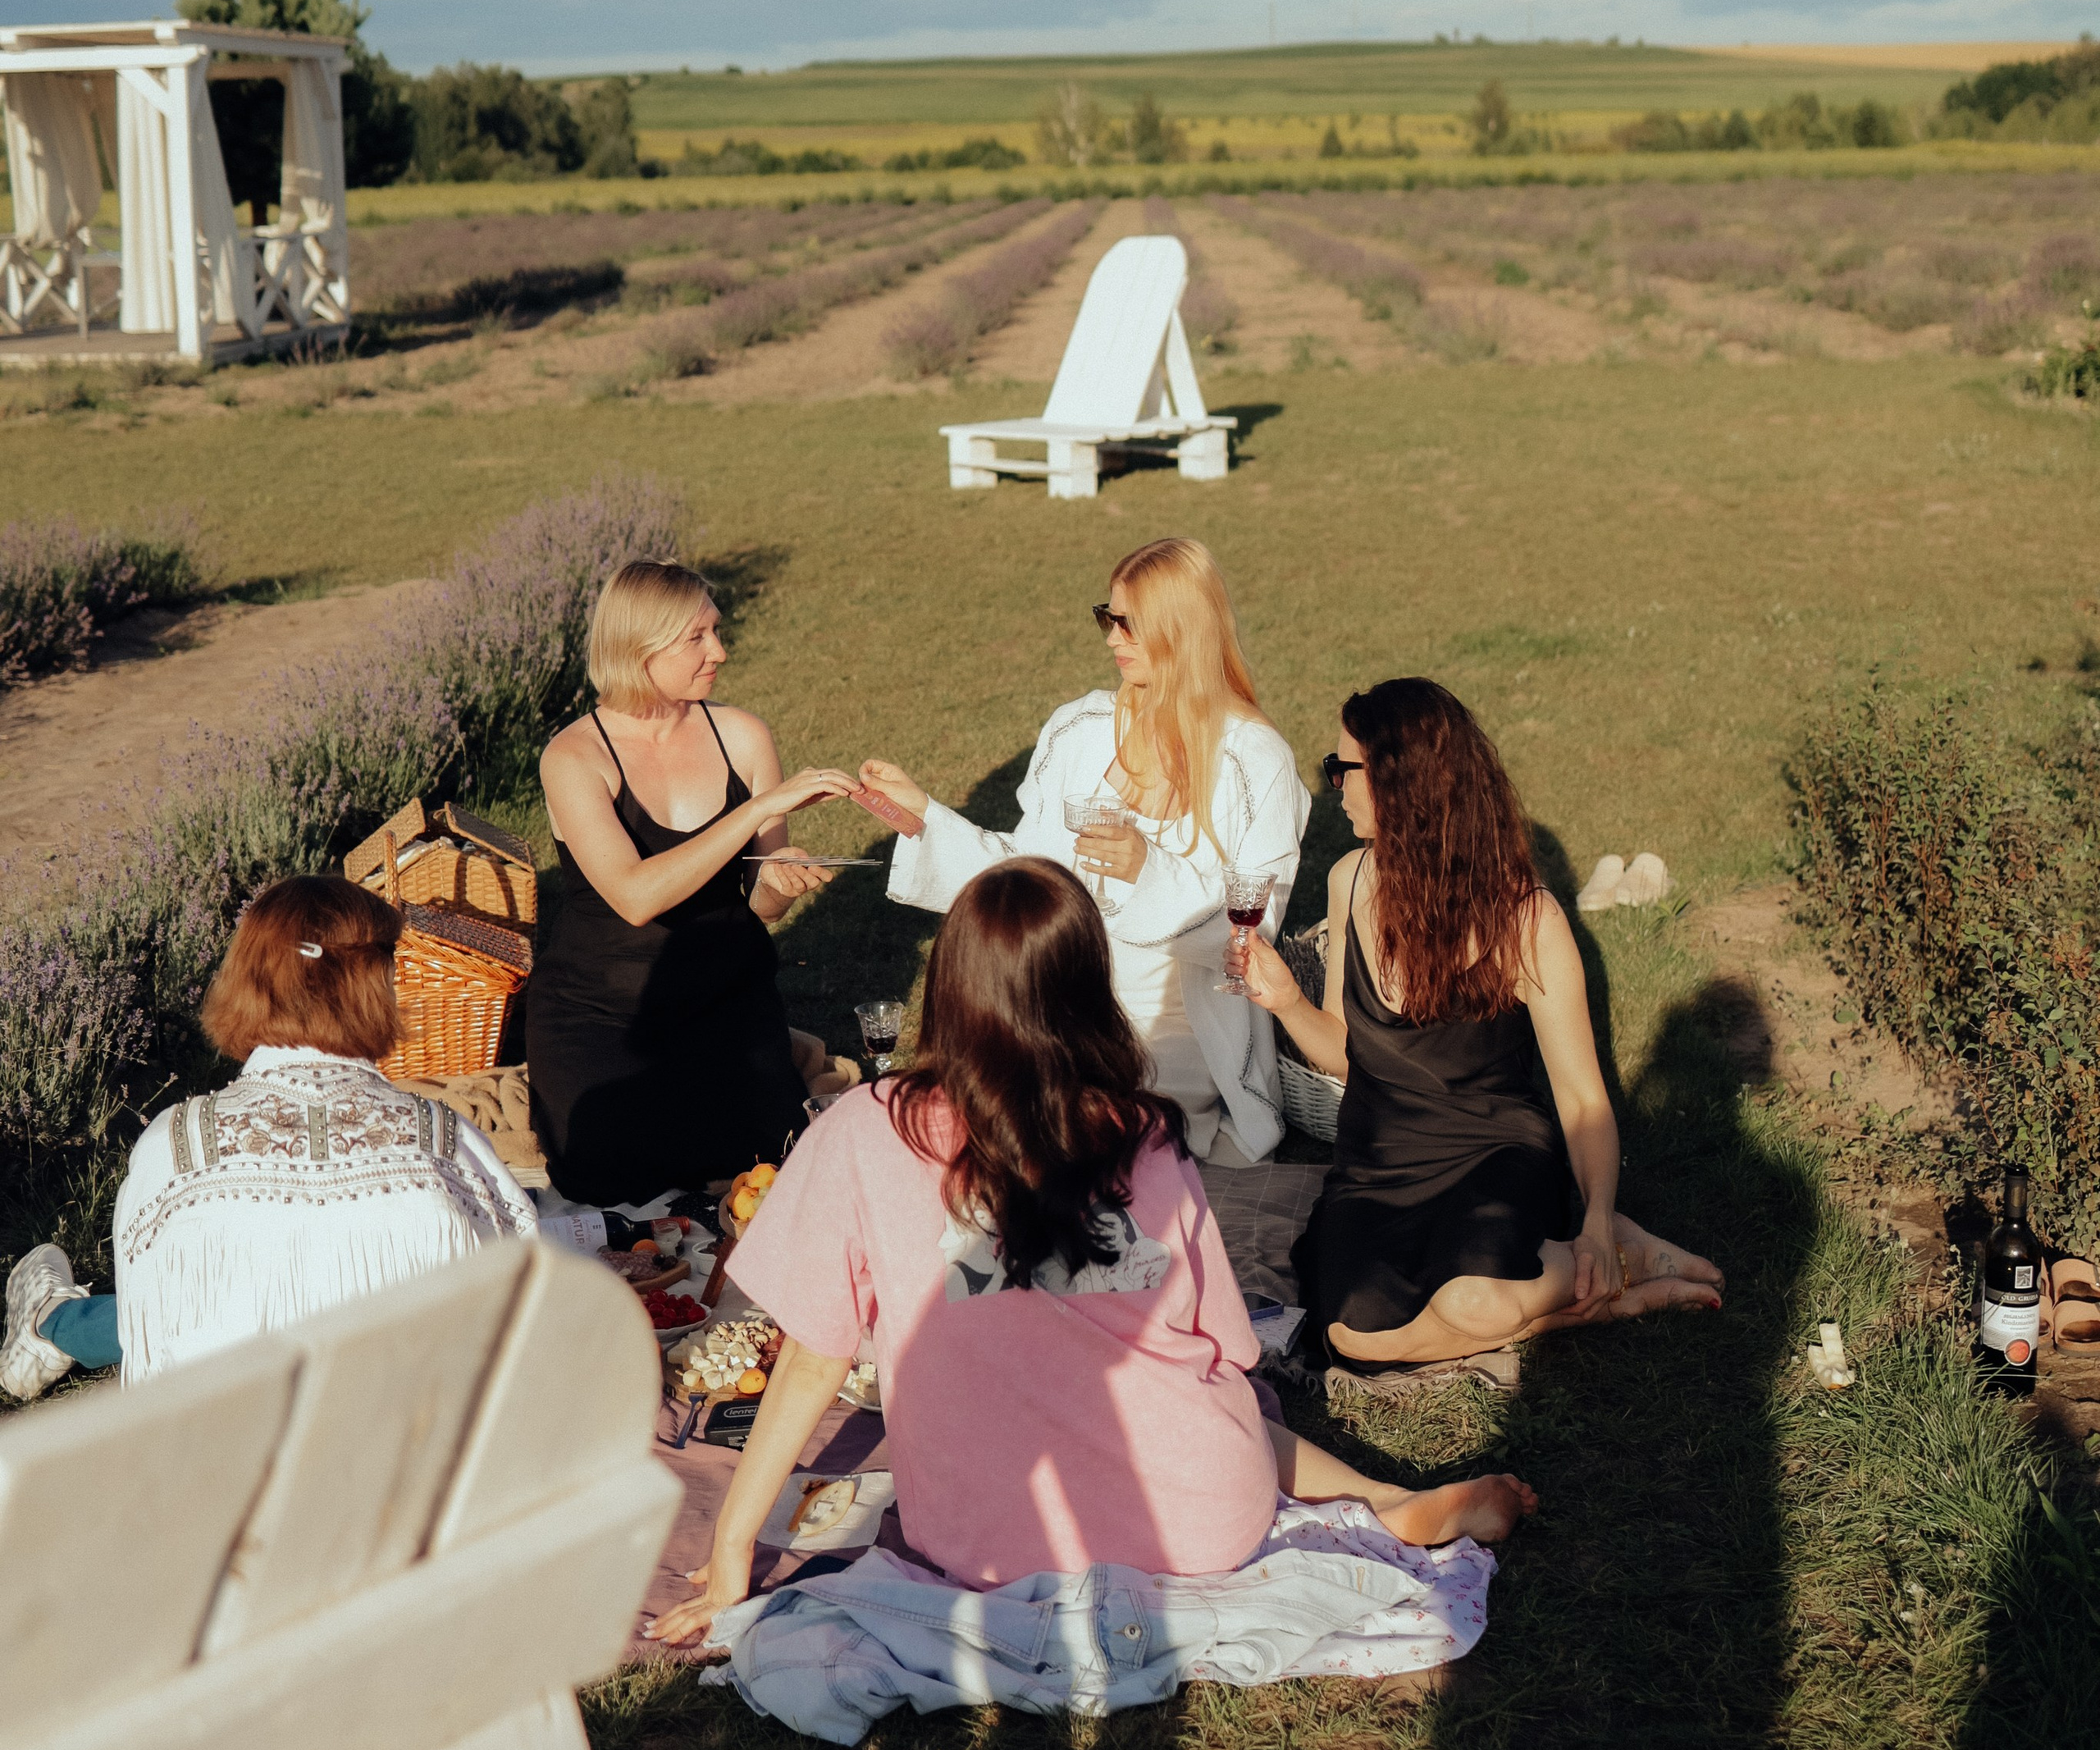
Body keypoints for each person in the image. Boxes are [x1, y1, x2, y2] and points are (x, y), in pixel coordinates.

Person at [655, 858, 1532, 1644]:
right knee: (1225, 1401)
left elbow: (812, 1361)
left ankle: (1388, 1502)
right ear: (1086, 988)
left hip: (987, 1546)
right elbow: (1222, 1349)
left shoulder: (864, 1129)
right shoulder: (1141, 1134)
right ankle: (1386, 1502)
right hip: (1200, 1520)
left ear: (947, 985)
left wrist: (733, 1549)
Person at [857, 538, 1310, 1286]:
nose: (1110, 638)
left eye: (1129, 623)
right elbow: (1027, 875)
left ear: (1181, 629)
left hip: (1176, 1021)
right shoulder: (1080, 730)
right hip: (1058, 991)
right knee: (991, 1119)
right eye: (1108, 616)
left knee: (1063, 1139)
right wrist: (925, 820)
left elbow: (1250, 935)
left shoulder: (1252, 761)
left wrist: (1147, 870)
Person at [1238, 679, 1723, 1374]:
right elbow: (1349, 1055)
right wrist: (1286, 1001)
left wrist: (1592, 1216)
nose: (1333, 784)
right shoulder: (1350, 881)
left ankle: (1606, 1248)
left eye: (1343, 768)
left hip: (1493, 1153)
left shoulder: (1526, 919)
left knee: (1472, 1303)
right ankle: (1609, 1287)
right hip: (1380, 1164)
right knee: (1350, 1336)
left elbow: (1582, 1097)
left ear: (1401, 784)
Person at [0, 875, 537, 1400]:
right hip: (412, 1440)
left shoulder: (172, 1146)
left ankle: (54, 1325)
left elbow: (153, 1332)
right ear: (376, 985)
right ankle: (56, 1325)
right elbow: (526, 1296)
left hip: (228, 1445)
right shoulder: (443, 1138)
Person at [529, 558, 856, 1213]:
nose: (720, 652)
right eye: (697, 638)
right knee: (613, 1195)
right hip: (605, 1018)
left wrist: (781, 881)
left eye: (717, 631)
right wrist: (757, 811)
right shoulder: (574, 757)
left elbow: (760, 903)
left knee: (776, 1179)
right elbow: (636, 896)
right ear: (640, 648)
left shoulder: (742, 736)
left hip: (726, 1005)